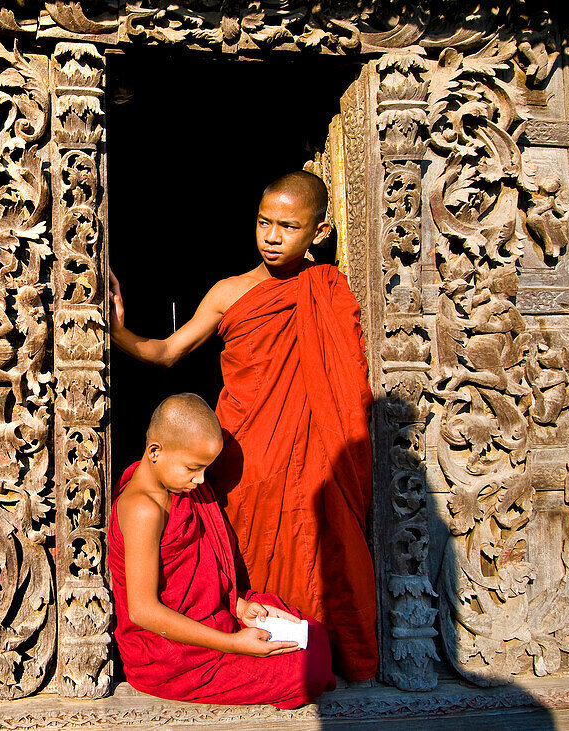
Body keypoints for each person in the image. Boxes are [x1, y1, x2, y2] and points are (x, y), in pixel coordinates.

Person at [110, 171, 378, 682]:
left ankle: (311, 642)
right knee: (244, 547)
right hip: (243, 450)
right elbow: (168, 352)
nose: (272, 237)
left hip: (314, 447)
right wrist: (115, 331)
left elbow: (341, 381)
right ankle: (245, 644)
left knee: (323, 539)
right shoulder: (229, 293)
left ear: (318, 233)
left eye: (288, 227)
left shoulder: (330, 289)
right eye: (263, 223)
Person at [110, 393, 335, 707]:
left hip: (214, 618)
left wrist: (240, 606)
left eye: (205, 469)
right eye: (192, 468)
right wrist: (234, 644)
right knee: (306, 671)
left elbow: (200, 573)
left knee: (311, 633)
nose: (201, 480)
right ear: (155, 452)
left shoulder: (182, 488)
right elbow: (143, 611)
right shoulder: (142, 509)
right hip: (170, 656)